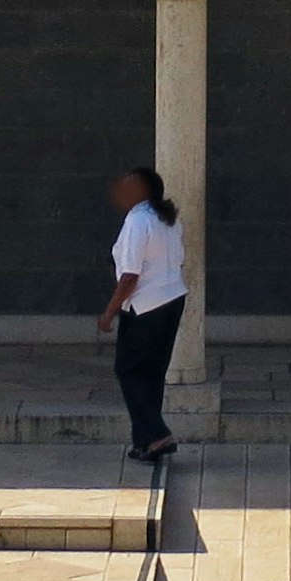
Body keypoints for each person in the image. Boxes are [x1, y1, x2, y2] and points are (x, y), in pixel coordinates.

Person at [98, 163, 184, 463]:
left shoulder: (138, 221)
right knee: (151, 373)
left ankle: (158, 433)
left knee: (129, 370)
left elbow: (130, 274)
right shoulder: (167, 219)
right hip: (171, 299)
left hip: (144, 304)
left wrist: (110, 312)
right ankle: (144, 442)